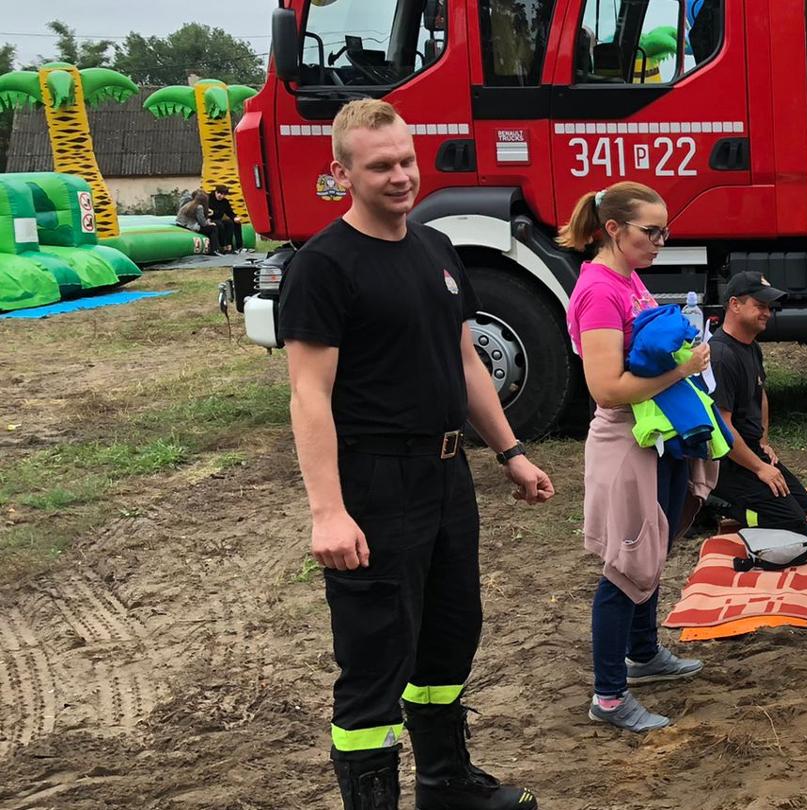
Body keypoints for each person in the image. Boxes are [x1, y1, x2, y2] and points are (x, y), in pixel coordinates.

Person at [278, 98, 555, 810]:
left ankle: (444, 783)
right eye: (381, 166)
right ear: (341, 173)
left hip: (446, 474)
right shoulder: (323, 266)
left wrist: (511, 451)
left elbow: (465, 361)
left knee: (449, 633)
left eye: (406, 159)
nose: (401, 176)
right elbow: (309, 395)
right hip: (375, 481)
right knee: (375, 655)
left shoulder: (436, 248)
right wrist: (328, 512)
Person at [557, 180, 710, 735]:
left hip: (656, 437)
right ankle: (609, 696)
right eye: (652, 232)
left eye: (665, 231)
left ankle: (642, 654)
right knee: (625, 567)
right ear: (613, 229)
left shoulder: (627, 277)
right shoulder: (600, 290)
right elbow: (607, 388)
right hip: (627, 440)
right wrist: (684, 368)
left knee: (654, 546)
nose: (661, 242)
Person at [705, 271, 807, 535]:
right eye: (760, 305)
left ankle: (740, 502)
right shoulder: (721, 356)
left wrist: (763, 442)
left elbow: (759, 393)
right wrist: (760, 468)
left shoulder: (751, 346)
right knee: (795, 525)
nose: (767, 313)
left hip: (751, 449)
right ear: (734, 305)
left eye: (768, 307)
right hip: (727, 462)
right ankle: (716, 503)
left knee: (804, 504)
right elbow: (722, 426)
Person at [209, 185, 243, 254]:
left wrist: (235, 218)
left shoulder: (225, 202)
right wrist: (212, 213)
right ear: (216, 192)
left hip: (218, 218)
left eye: (223, 195)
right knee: (220, 224)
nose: (221, 196)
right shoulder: (209, 199)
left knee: (231, 222)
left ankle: (236, 246)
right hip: (210, 219)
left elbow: (229, 212)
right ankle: (223, 246)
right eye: (219, 193)